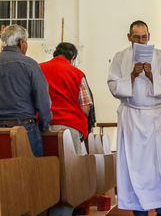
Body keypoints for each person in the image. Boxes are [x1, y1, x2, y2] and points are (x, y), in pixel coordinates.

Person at [107, 20, 161, 216]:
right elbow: (113, 86)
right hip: (132, 119)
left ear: (149, 36)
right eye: (136, 37)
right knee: (134, 168)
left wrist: (151, 75)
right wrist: (131, 75)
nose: (141, 40)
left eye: (144, 36)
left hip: (156, 119)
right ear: (129, 37)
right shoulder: (120, 57)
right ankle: (140, 212)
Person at [0, 24, 52, 157]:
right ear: (21, 42)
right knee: (32, 174)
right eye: (26, 42)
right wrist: (44, 126)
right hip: (25, 128)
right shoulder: (30, 64)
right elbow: (42, 98)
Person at [40, 42, 93, 155]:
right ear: (73, 57)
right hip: (70, 127)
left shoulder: (39, 69)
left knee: (47, 167)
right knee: (72, 168)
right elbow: (85, 108)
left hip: (43, 127)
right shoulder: (77, 74)